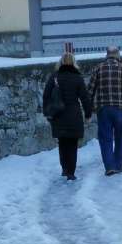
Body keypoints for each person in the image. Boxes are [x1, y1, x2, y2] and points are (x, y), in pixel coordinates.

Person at [88, 46, 122, 176]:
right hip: (120, 108)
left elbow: (90, 90)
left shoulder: (98, 68)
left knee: (105, 138)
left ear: (107, 55)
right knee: (120, 137)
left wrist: (89, 108)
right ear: (117, 55)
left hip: (103, 108)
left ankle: (109, 166)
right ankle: (119, 164)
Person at [43, 52, 92, 180]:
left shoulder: (54, 77)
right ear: (74, 63)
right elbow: (85, 98)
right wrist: (88, 114)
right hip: (74, 115)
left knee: (62, 142)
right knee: (72, 144)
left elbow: (46, 96)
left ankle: (64, 168)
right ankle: (71, 171)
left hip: (58, 115)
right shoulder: (77, 78)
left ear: (61, 62)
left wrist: (47, 112)